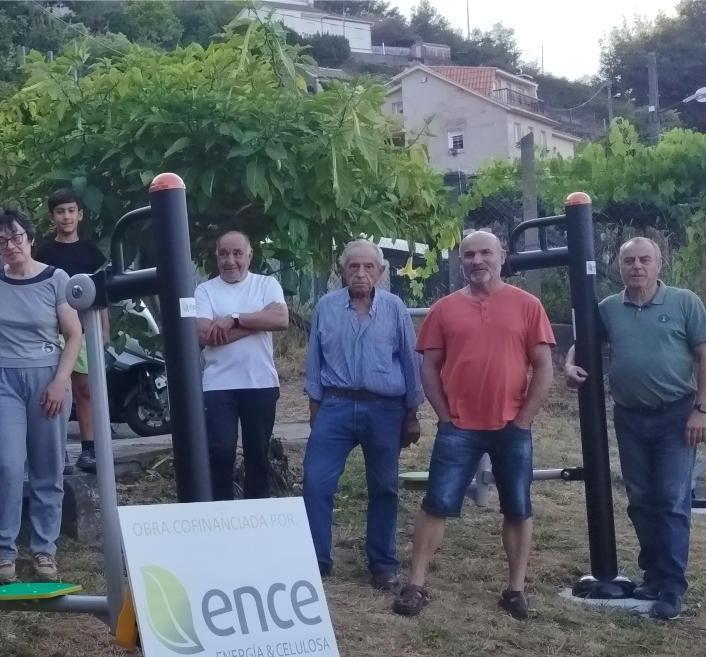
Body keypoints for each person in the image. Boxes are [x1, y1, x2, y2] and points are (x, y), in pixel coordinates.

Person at [394, 230, 555, 620]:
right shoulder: (444, 309)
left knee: (518, 507)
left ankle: (515, 590)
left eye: (485, 253)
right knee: (436, 504)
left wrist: (524, 419)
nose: (477, 260)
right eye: (469, 255)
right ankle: (416, 585)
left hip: (511, 426)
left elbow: (544, 366)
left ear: (502, 256)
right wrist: (444, 415)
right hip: (459, 427)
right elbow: (428, 367)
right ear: (461, 261)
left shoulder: (527, 305)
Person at [563, 237, 706, 621]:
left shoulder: (685, 302)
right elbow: (583, 342)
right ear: (619, 266)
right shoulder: (609, 309)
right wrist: (569, 364)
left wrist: (702, 410)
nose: (636, 266)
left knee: (670, 499)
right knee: (640, 499)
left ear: (659, 264)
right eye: (629, 260)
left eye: (644, 259)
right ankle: (652, 575)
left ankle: (672, 587)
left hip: (676, 416)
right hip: (630, 417)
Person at [301, 240, 423, 589]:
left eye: (369, 267)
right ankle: (317, 560)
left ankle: (382, 563)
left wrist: (412, 413)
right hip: (335, 406)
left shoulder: (395, 308)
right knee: (316, 482)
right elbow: (315, 361)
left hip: (385, 409)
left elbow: (410, 360)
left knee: (384, 486)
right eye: (353, 266)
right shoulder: (326, 307)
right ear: (342, 271)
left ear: (381, 272)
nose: (360, 273)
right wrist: (315, 409)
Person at [0, 209, 84, 583]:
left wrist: (60, 380)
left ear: (31, 239)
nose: (11, 245)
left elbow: (74, 334)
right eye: (2, 241)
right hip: (1, 379)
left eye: (17, 237)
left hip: (48, 376)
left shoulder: (56, 278)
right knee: (6, 465)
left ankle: (44, 549)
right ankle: (4, 551)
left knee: (47, 466)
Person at [193, 230, 289, 499]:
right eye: (223, 253)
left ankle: (256, 512)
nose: (230, 260)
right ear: (216, 256)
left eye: (237, 253)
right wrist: (258, 322)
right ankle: (220, 512)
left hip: (260, 383)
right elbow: (204, 335)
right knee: (220, 450)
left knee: (257, 454)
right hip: (218, 385)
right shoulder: (205, 290)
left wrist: (233, 319)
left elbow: (281, 320)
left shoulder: (266, 284)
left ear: (249, 255)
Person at [32, 188, 109, 473]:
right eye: (60, 211)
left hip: (86, 330)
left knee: (86, 389)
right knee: (58, 390)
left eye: (71, 211)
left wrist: (104, 330)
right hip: (53, 331)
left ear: (80, 214)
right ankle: (59, 450)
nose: (66, 216)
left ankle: (89, 450)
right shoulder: (44, 253)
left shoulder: (91, 251)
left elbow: (102, 296)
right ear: (52, 216)